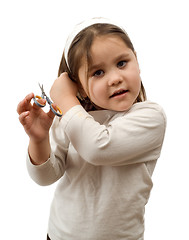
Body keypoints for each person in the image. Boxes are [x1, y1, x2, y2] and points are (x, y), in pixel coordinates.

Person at [17, 18, 166, 240]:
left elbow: (97, 147)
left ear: (137, 60)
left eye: (122, 63)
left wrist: (66, 98)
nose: (115, 78)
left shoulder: (150, 117)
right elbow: (46, 177)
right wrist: (39, 140)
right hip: (59, 234)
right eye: (97, 73)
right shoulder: (72, 116)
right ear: (81, 88)